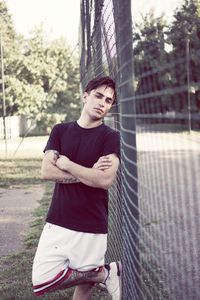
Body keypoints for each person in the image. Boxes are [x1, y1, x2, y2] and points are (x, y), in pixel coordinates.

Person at [32, 76, 121, 300]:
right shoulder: (60, 131)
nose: (102, 103)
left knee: (83, 287)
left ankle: (101, 274)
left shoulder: (111, 138)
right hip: (58, 218)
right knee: (42, 278)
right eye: (98, 96)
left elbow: (104, 181)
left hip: (91, 223)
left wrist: (69, 165)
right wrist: (88, 172)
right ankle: (105, 274)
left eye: (108, 100)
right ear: (85, 96)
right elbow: (47, 172)